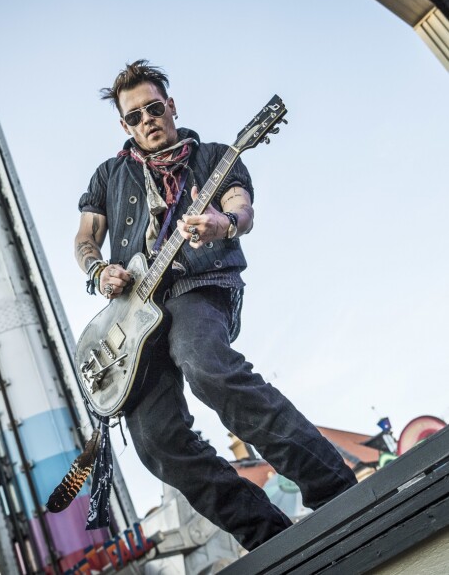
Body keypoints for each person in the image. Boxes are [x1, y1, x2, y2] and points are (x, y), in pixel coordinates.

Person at [74, 59, 357, 551]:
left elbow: (241, 206)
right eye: (135, 116)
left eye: (155, 108)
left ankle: (335, 488)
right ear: (125, 125)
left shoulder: (216, 156)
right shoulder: (108, 176)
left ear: (172, 106)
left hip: (198, 286)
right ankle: (267, 536)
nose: (148, 120)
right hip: (134, 316)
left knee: (205, 364)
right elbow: (84, 239)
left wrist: (222, 224)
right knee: (155, 440)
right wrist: (100, 271)